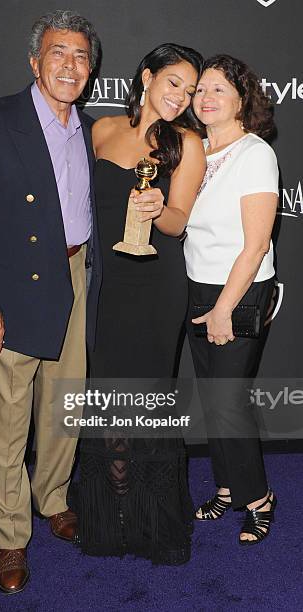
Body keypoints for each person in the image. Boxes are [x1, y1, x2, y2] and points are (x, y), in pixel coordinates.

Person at [0, 11, 101, 593]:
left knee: (66, 405)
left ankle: (52, 497)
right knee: (5, 426)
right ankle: (9, 537)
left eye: (81, 56)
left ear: (91, 69)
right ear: (35, 62)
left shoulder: (87, 128)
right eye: (59, 53)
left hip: (76, 276)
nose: (70, 64)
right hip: (11, 289)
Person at [76, 43, 206, 565]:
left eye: (191, 90)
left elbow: (180, 220)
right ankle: (111, 519)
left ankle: (156, 526)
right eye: (174, 82)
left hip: (156, 289)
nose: (181, 97)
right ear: (147, 76)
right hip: (106, 287)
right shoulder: (100, 130)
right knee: (106, 402)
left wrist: (158, 210)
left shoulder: (187, 143)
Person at [185, 54, 279, 545]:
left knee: (228, 402)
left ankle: (260, 498)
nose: (206, 97)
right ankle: (227, 485)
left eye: (219, 88)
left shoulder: (255, 154)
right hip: (196, 285)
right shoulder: (195, 150)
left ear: (243, 99)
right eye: (201, 88)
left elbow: (256, 243)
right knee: (212, 399)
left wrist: (224, 308)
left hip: (238, 291)